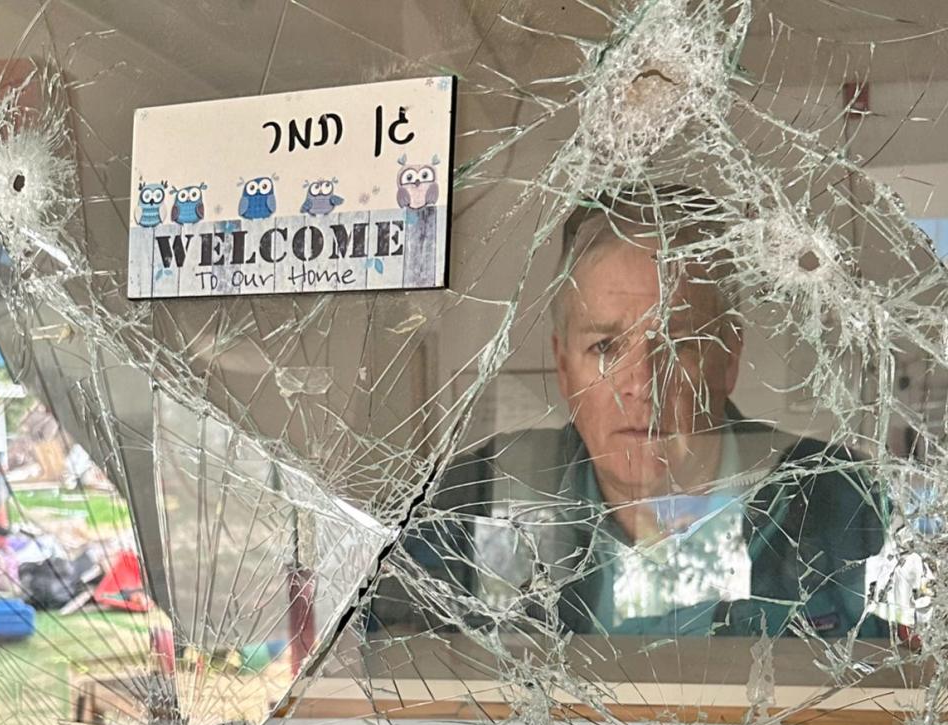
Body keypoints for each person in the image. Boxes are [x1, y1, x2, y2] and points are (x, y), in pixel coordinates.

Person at [369, 192, 889, 640]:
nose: (640, 384)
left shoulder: (845, 505)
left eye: (679, 343)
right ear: (563, 367)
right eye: (604, 346)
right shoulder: (474, 498)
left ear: (727, 360)